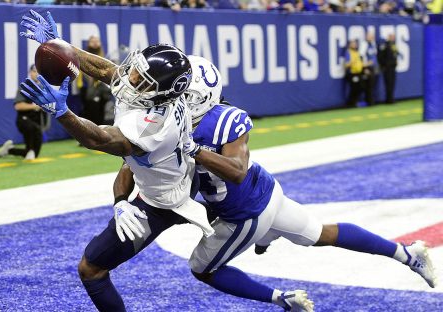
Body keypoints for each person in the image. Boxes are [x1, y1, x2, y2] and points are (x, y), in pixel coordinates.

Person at [19, 10, 309, 312]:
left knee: (90, 269)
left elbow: (101, 140)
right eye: (136, 71)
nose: (129, 78)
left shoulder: (155, 124)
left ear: (162, 93)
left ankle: (260, 228)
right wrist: (59, 44)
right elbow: (108, 72)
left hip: (162, 201)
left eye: (139, 79)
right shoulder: (155, 92)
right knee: (135, 164)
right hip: (175, 173)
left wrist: (64, 113)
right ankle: (257, 228)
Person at [180, 56, 436, 304]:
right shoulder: (184, 123)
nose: (175, 100)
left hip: (245, 212)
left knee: (202, 269)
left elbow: (237, 172)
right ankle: (407, 254)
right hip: (266, 192)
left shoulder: (225, 120)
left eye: (182, 94)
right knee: (321, 233)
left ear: (202, 97)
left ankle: (283, 299)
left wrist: (193, 150)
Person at [0, 64, 48, 160]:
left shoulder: (43, 88)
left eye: (39, 72)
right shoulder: (24, 87)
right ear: (30, 73)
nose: (37, 74)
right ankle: (30, 151)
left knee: (34, 154)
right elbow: (18, 106)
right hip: (24, 120)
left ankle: (9, 150)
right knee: (33, 128)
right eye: (34, 71)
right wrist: (34, 106)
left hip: (37, 122)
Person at [378, 33, 398, 104]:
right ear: (388, 37)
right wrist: (383, 65)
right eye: (391, 37)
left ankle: (391, 98)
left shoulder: (393, 45)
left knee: (392, 83)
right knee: (388, 83)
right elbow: (380, 56)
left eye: (393, 37)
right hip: (387, 68)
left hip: (393, 67)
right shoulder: (384, 45)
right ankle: (388, 99)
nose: (393, 38)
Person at [344, 39, 364, 107]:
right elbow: (346, 64)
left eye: (355, 43)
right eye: (353, 43)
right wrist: (351, 63)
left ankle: (355, 102)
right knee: (354, 88)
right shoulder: (348, 52)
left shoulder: (357, 52)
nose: (355, 45)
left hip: (359, 72)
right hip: (352, 73)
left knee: (360, 87)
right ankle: (351, 103)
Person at [363, 31, 378, 106]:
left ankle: (372, 100)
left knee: (373, 85)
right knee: (369, 85)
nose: (371, 38)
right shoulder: (364, 44)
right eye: (369, 36)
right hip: (367, 67)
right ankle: (369, 101)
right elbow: (362, 56)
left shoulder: (373, 44)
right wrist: (365, 67)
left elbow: (374, 56)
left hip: (374, 67)